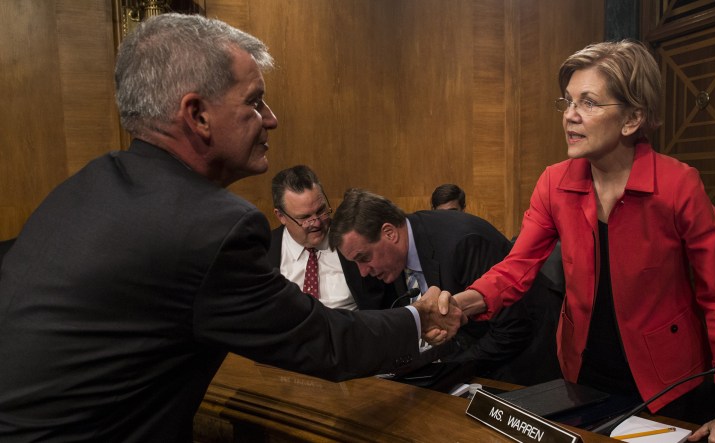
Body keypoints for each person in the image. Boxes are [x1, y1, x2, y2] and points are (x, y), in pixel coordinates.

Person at [0, 14, 463, 441]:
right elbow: (324, 343)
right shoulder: (209, 227)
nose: (271, 119)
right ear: (197, 114)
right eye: (255, 101)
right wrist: (419, 318)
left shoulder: (85, 186)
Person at [446, 40, 715, 440]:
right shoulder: (554, 182)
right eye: (568, 102)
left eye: (589, 103)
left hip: (668, 382)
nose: (570, 116)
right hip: (583, 373)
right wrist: (459, 306)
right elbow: (516, 268)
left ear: (632, 119)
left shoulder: (679, 185)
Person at [328, 188, 563, 384]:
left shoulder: (463, 244)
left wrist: (443, 370)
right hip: (481, 358)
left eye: (364, 258)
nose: (363, 272)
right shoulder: (395, 257)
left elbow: (513, 329)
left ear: (389, 233)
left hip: (529, 364)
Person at [268, 165, 398, 310]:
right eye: (305, 218)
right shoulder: (263, 252)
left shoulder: (355, 239)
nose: (317, 223)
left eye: (321, 210)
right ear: (281, 216)